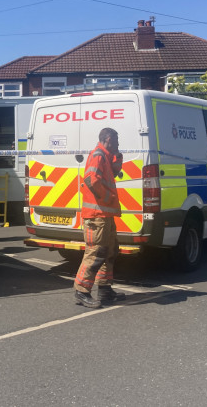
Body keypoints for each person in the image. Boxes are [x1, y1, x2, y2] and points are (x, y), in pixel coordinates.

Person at [73, 128, 126, 308]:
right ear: (109, 139)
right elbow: (90, 179)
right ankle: (82, 290)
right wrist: (107, 198)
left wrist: (117, 156)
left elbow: (114, 171)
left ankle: (105, 290)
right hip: (97, 216)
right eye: (117, 141)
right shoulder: (98, 155)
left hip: (105, 216)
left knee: (109, 252)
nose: (119, 144)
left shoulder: (105, 156)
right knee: (95, 253)